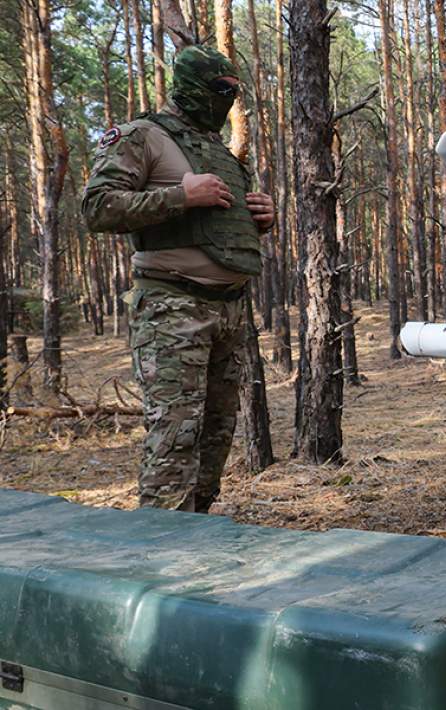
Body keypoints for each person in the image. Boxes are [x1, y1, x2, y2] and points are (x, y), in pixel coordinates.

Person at [82, 45, 274, 513]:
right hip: (172, 308)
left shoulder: (218, 152)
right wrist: (179, 197)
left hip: (229, 309)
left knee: (215, 435)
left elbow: (218, 228)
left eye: (233, 92)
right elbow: (96, 207)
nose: (227, 100)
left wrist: (259, 218)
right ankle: (160, 554)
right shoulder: (140, 136)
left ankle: (197, 537)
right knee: (174, 437)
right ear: (192, 86)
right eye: (220, 90)